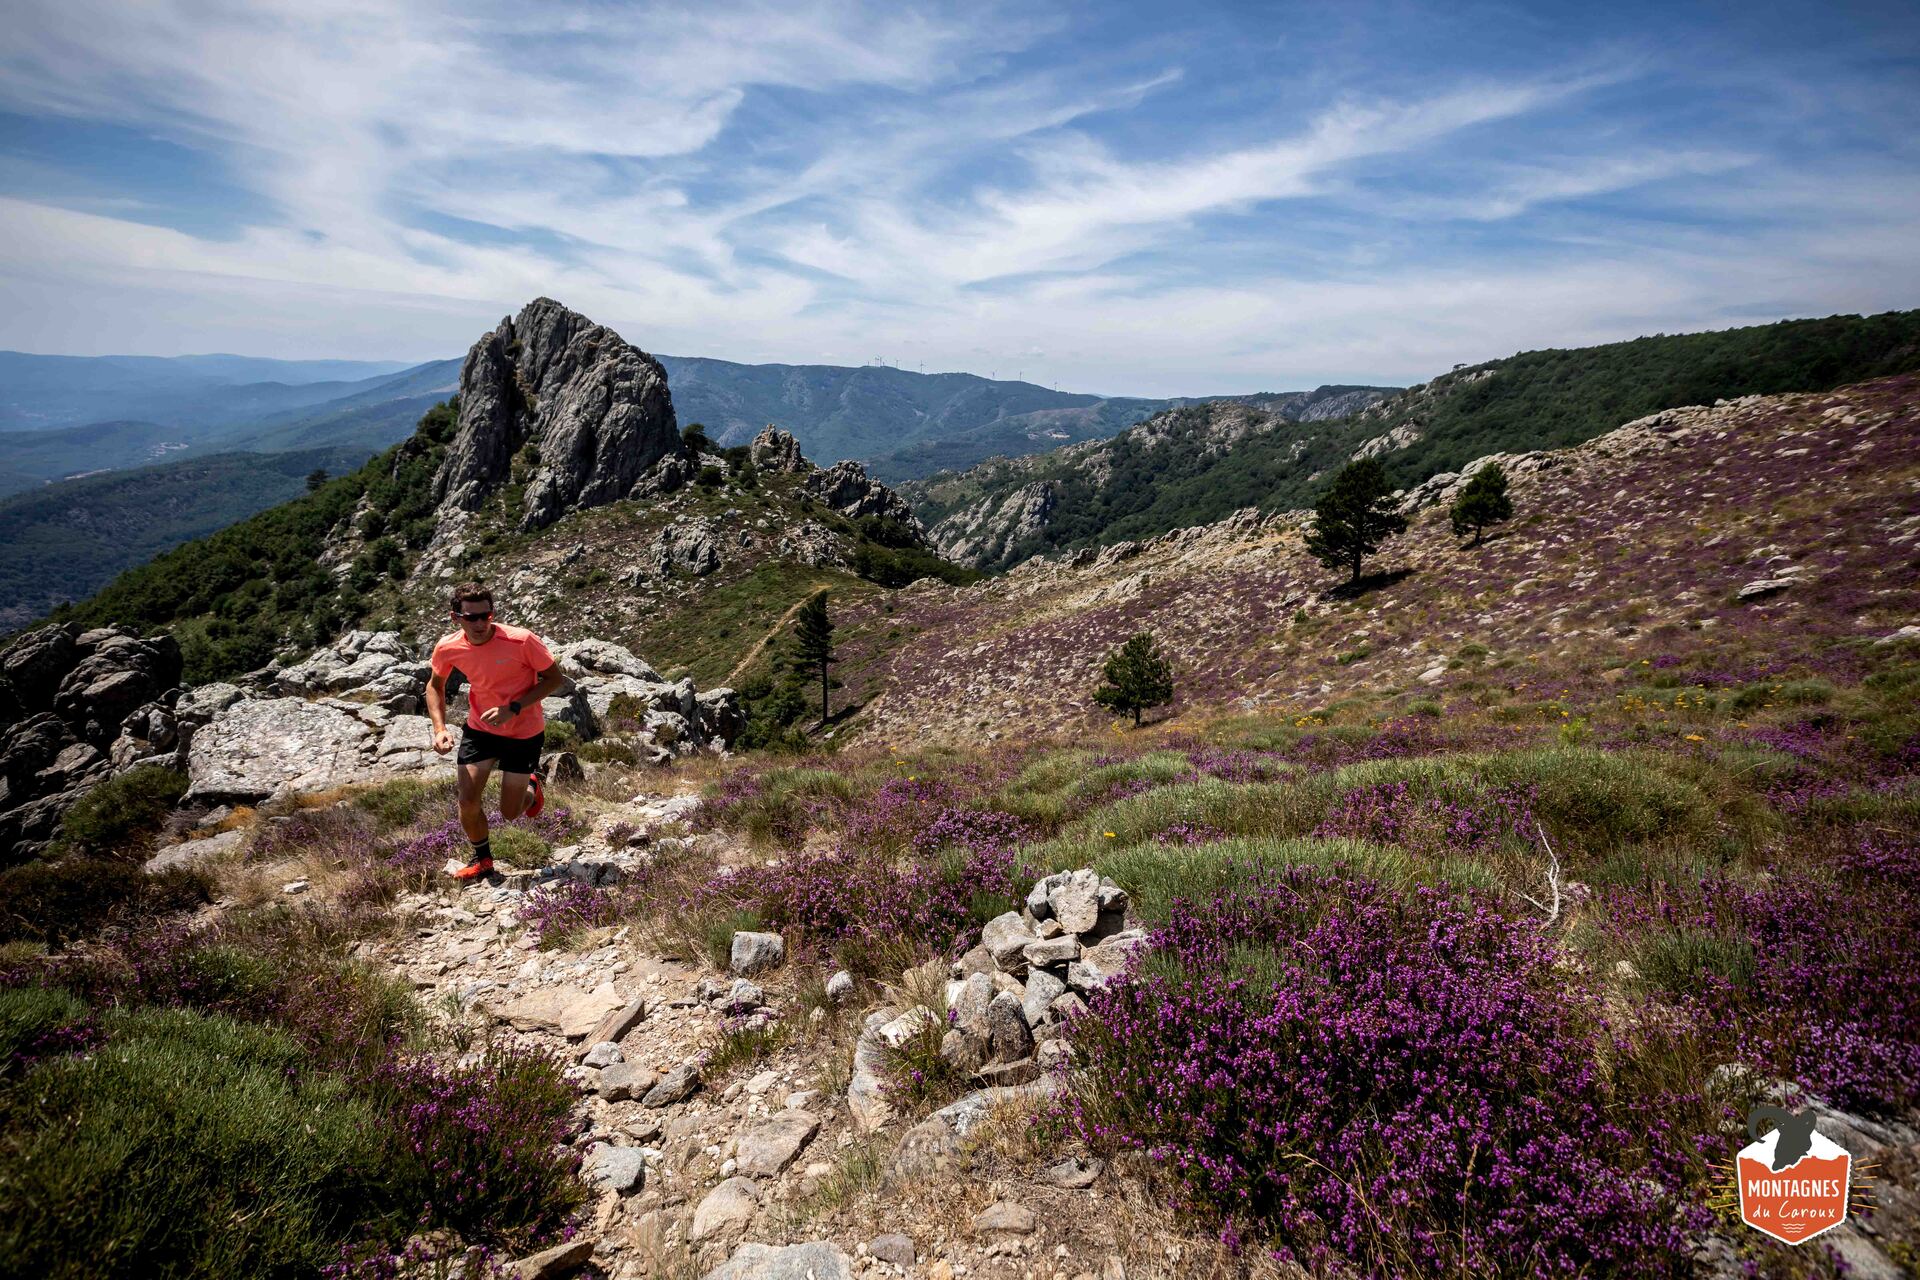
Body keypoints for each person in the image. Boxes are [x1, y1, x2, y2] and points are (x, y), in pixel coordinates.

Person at [425, 583, 568, 882]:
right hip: (481, 730)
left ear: (493, 614)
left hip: (524, 732)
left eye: (485, 615)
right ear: (456, 618)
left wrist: (513, 708)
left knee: (510, 813)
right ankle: (483, 860)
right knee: (467, 799)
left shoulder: (521, 640)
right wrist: (439, 729)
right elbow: (435, 686)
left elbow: (554, 678)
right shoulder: (448, 646)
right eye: (471, 617)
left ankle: (532, 787)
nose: (479, 623)